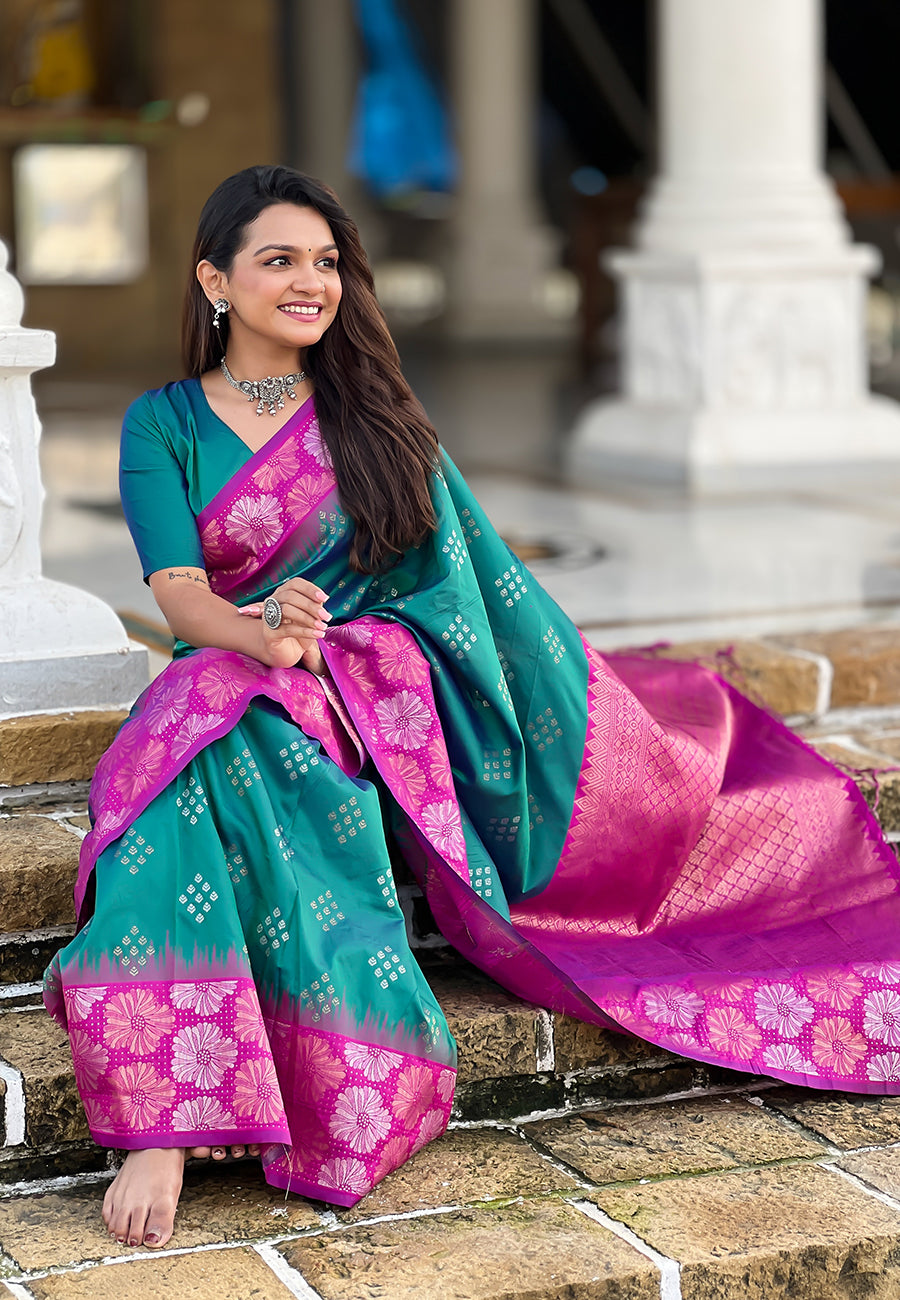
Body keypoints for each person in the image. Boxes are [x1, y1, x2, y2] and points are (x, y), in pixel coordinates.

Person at [44, 164, 900, 1251]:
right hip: (238, 665)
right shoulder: (161, 424)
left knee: (211, 735)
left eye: (326, 263)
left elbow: (476, 602)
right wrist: (263, 634)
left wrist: (336, 651)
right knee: (212, 712)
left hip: (370, 695)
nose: (310, 282)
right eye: (278, 261)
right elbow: (175, 592)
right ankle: (174, 1111)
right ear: (216, 279)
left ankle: (167, 1112)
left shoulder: (379, 423)